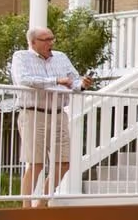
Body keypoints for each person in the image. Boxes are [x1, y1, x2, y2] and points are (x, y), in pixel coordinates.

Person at [10, 27, 89, 207]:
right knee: (36, 163)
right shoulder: (21, 57)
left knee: (64, 162)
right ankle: (26, 207)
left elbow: (74, 81)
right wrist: (55, 81)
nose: (50, 43)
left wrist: (82, 84)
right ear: (33, 42)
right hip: (33, 113)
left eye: (52, 38)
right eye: (45, 39)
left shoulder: (60, 57)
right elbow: (24, 79)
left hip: (58, 113)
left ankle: (42, 203)